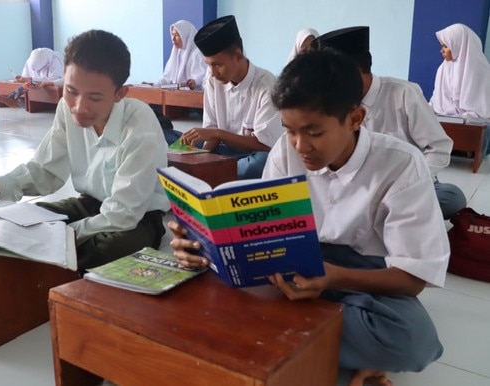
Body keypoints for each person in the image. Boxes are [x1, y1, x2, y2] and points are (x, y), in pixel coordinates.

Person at [169, 49, 449, 386]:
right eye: (290, 131)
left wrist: (332, 278)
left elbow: (412, 278)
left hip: (364, 274)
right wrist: (200, 244)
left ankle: (294, 343)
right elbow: (259, 232)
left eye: (314, 132)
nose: (300, 146)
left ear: (356, 118)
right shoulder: (285, 152)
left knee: (412, 340)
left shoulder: (401, 165)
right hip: (292, 262)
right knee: (205, 295)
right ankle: (337, 356)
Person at [0, 29, 170, 272]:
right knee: (18, 220)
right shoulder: (66, 110)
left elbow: (124, 214)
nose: (79, 107)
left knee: (109, 248)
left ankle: (43, 275)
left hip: (139, 218)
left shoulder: (140, 127)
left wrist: (63, 235)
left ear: (120, 94)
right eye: (71, 91)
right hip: (90, 204)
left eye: (95, 98)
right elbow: (45, 170)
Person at [313, 26, 466, 219]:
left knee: (452, 197)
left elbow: (439, 147)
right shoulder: (332, 101)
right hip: (354, 188)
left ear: (355, 71)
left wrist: (406, 184)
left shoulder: (403, 94)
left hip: (405, 185)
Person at [180, 15, 284, 179]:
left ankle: (214, 172)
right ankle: (214, 170)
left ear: (238, 56)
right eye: (208, 65)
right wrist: (202, 155)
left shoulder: (266, 85)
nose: (213, 73)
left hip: (253, 155)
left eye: (218, 64)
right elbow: (210, 130)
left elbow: (265, 145)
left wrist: (218, 134)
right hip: (222, 150)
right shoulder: (213, 80)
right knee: (181, 140)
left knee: (261, 164)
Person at [429, 23, 490, 155]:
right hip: (443, 121)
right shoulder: (443, 69)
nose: (442, 51)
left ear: (459, 45)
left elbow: (482, 111)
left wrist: (463, 117)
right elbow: (435, 99)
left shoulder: (481, 71)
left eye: (446, 46)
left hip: (469, 127)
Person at [146, 20, 207, 90]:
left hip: (194, 96)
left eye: (177, 35)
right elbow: (167, 78)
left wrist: (194, 82)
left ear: (186, 35)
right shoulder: (176, 53)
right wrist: (154, 85)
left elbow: (203, 78)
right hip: (177, 95)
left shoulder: (197, 54)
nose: (173, 39)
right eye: (172, 34)